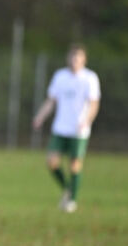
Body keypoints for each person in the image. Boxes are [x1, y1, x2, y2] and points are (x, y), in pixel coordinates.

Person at [32, 44, 101, 213]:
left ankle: (71, 201)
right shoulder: (60, 76)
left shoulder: (90, 78)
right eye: (72, 56)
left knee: (74, 165)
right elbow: (51, 100)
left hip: (78, 130)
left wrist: (87, 121)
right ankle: (68, 188)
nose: (75, 60)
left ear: (84, 59)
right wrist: (40, 116)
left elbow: (94, 104)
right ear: (68, 58)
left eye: (78, 57)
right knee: (52, 161)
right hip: (60, 128)